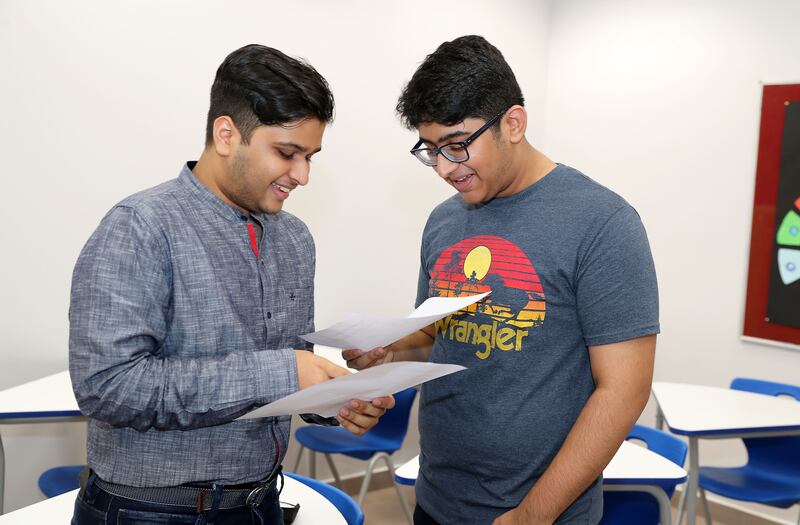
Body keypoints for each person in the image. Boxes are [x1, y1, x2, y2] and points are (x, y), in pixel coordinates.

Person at [69, 44, 393, 525]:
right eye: (287, 153)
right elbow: (107, 387)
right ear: (226, 134)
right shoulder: (140, 227)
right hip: (151, 512)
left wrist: (338, 398)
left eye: (311, 157)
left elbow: (278, 371)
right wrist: (284, 372)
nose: (302, 176)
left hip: (259, 504)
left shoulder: (294, 238)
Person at [344, 35, 659, 525]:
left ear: (513, 123)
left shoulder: (603, 222)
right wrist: (389, 352)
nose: (445, 168)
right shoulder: (444, 222)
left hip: (540, 513)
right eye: (430, 150)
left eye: (457, 146)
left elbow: (623, 391)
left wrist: (533, 514)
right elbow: (438, 335)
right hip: (437, 497)